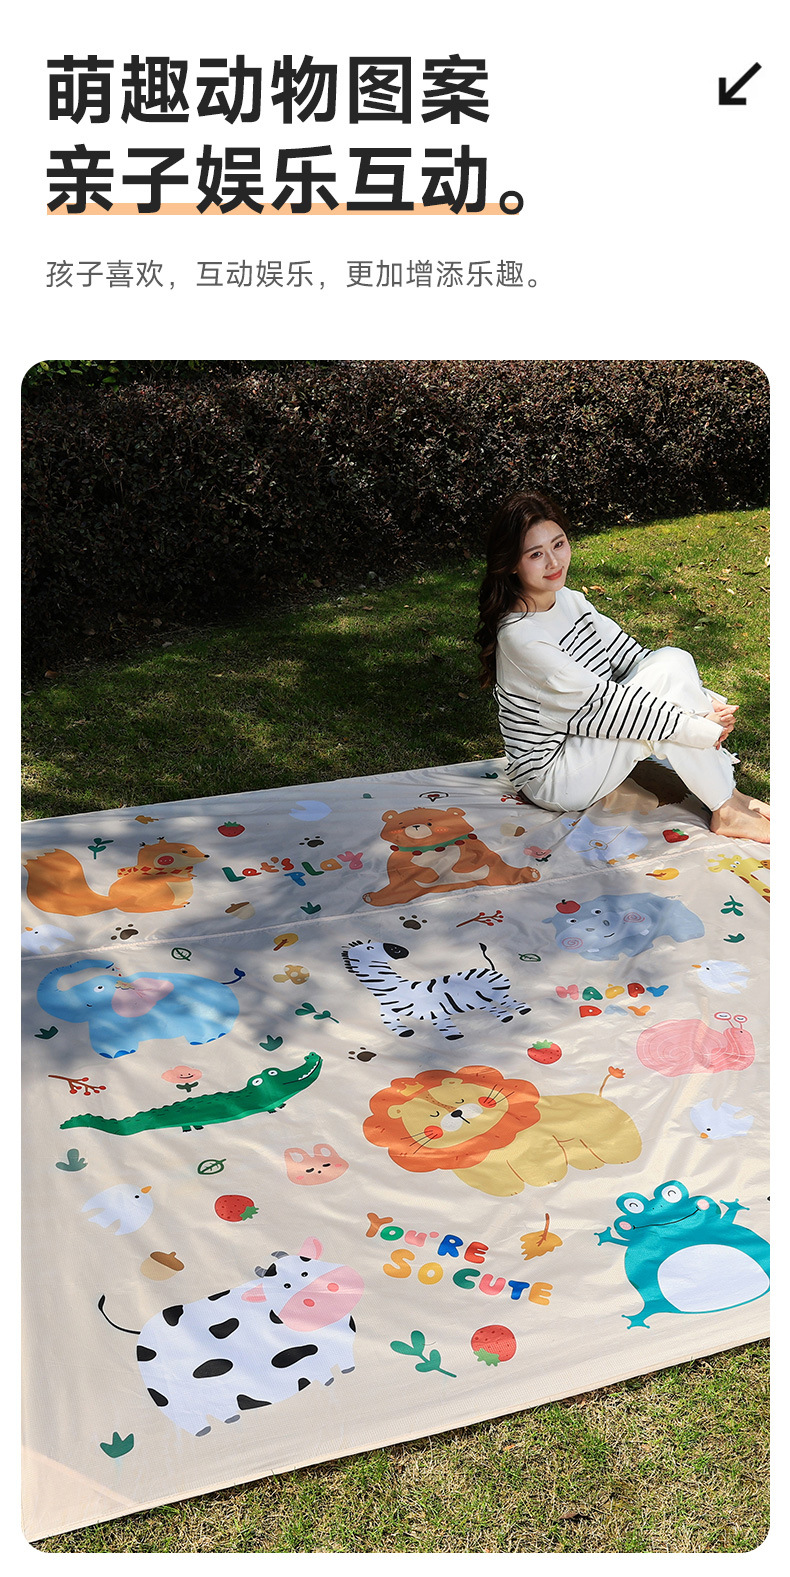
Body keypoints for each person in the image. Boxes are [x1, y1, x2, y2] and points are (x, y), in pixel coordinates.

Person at [474, 491, 769, 842]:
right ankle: (728, 810)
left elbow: (633, 659)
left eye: (559, 544)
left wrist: (702, 702)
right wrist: (698, 727)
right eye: (536, 554)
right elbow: (605, 707)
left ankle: (728, 797)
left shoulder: (568, 600)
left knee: (673, 659)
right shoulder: (521, 638)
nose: (554, 562)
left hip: (587, 738)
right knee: (654, 722)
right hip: (555, 776)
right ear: (511, 563)